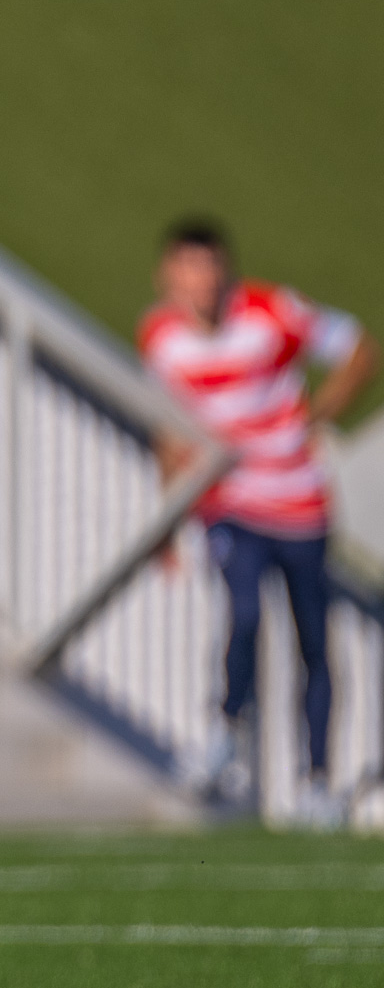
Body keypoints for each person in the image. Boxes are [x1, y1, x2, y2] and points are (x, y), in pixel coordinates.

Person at [140, 219, 377, 824]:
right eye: (187, 271)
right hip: (231, 502)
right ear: (168, 274)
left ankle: (318, 782)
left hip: (298, 502)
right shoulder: (161, 338)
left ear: (225, 271)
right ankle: (224, 728)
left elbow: (358, 347)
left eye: (209, 269)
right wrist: (167, 521)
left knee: (313, 644)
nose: (200, 284)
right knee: (242, 612)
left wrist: (322, 409)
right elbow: (169, 430)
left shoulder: (272, 312)